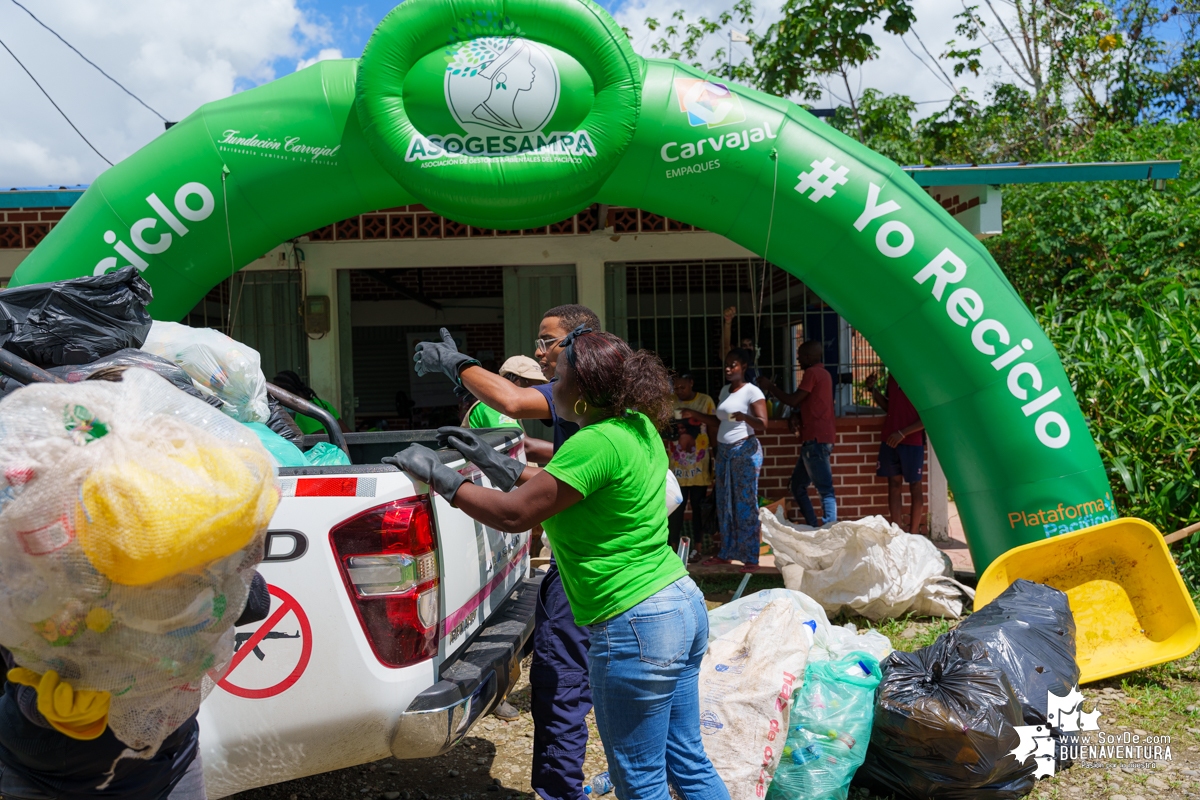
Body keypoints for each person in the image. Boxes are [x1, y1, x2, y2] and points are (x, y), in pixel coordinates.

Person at [392, 329, 729, 800]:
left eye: (559, 377)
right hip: (680, 605)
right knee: (687, 759)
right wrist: (496, 463)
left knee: (641, 778)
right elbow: (566, 484)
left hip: (634, 621)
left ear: (585, 391)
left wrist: (443, 480)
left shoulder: (595, 441)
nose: (550, 387)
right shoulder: (635, 425)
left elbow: (515, 513)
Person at [412, 305, 600, 800]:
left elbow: (514, 409)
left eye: (547, 342)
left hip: (587, 571)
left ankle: (559, 791)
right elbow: (565, 473)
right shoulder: (610, 414)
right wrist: (496, 460)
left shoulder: (585, 402)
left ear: (580, 342)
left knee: (560, 685)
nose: (540, 353)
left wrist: (447, 479)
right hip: (599, 567)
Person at [683, 349, 767, 573]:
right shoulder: (725, 391)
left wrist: (745, 417)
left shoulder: (752, 392)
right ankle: (726, 553)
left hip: (744, 451)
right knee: (724, 503)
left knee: (745, 504)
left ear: (744, 367)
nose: (729, 368)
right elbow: (718, 421)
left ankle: (750, 557)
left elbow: (762, 423)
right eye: (727, 365)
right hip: (725, 453)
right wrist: (694, 414)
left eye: (734, 365)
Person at [758, 340, 837, 528]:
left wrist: (770, 386)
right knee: (797, 486)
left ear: (809, 357)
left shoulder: (812, 373)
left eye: (800, 356)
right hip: (817, 438)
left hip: (815, 440)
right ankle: (814, 527)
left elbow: (793, 400)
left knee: (825, 490)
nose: (798, 359)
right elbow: (810, 403)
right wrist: (796, 415)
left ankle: (830, 532)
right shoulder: (824, 373)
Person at [866, 372, 927, 534]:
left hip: (912, 441)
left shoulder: (920, 379)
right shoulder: (893, 377)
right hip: (890, 439)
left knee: (915, 485)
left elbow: (928, 416)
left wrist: (903, 433)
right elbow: (889, 406)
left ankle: (913, 534)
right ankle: (897, 531)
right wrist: (873, 390)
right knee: (893, 485)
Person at [666, 372, 715, 556]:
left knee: (698, 506)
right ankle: (672, 547)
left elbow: (714, 424)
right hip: (676, 467)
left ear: (691, 383)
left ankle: (698, 547)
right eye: (676, 387)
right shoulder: (670, 403)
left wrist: (693, 414)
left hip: (699, 466)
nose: (679, 391)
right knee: (675, 506)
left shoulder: (705, 401)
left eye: (683, 387)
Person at [271, 370, 341, 435]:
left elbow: (321, 442)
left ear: (284, 396)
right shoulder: (323, 404)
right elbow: (347, 433)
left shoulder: (303, 413)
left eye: (276, 397)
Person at [719, 307, 758, 384]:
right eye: (744, 345)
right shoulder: (732, 363)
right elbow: (725, 347)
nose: (748, 348)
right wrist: (728, 322)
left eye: (750, 345)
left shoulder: (755, 365)